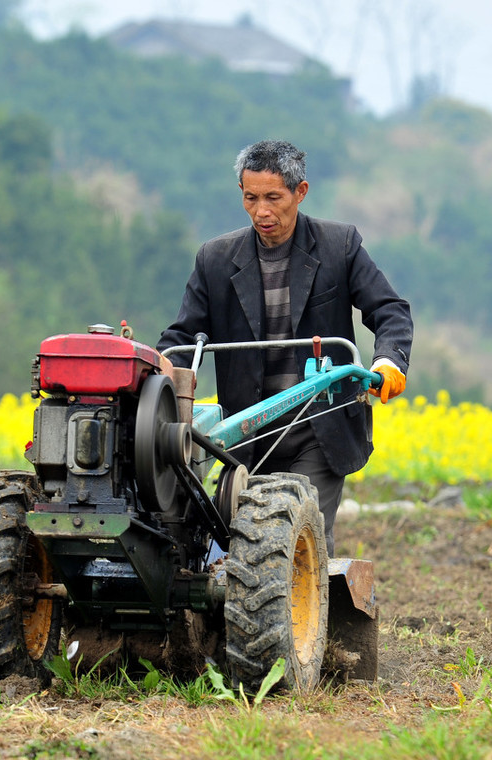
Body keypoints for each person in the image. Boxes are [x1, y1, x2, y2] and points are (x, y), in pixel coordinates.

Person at [158, 140, 413, 556]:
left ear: (301, 192)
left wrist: (389, 361)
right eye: (251, 198)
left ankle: (310, 620)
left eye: (274, 198)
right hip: (247, 429)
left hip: (319, 425)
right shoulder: (216, 260)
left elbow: (389, 309)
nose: (262, 211)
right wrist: (163, 367)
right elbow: (183, 338)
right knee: (237, 544)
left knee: (300, 537)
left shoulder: (339, 246)